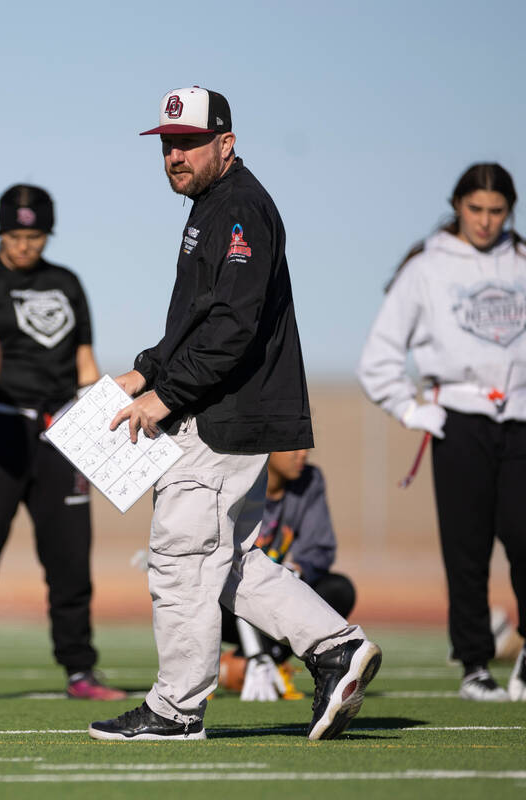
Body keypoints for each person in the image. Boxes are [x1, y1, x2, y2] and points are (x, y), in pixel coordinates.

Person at [89, 87, 382, 742]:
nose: (175, 154)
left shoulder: (239, 206)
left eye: (189, 141)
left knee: (180, 554)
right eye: (168, 143)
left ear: (226, 142)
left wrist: (163, 397)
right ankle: (336, 647)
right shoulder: (214, 206)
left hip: (222, 413)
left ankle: (175, 709)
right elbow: (198, 320)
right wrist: (145, 370)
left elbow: (231, 327)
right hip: (219, 407)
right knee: (229, 559)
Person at [0, 184, 126, 702]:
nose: (24, 245)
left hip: (60, 430)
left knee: (70, 560)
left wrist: (101, 426)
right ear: (0, 232)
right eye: (15, 235)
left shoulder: (67, 283)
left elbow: (85, 360)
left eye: (34, 235)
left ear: (47, 234)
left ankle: (80, 670)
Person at [358, 162, 526, 702]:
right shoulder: (425, 267)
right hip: (459, 420)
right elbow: (378, 357)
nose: (485, 221)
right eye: (475, 209)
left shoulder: (523, 261)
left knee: (524, 537)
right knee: (467, 549)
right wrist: (411, 410)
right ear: (458, 206)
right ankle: (475, 665)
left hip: (520, 419)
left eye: (497, 211)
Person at [218, 450, 357, 699]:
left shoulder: (309, 480)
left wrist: (297, 570)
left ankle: (256, 662)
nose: (302, 454)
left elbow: (320, 549)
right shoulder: (239, 476)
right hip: (235, 599)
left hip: (280, 597)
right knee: (201, 593)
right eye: (293, 445)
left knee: (338, 590)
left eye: (306, 446)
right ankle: (209, 668)